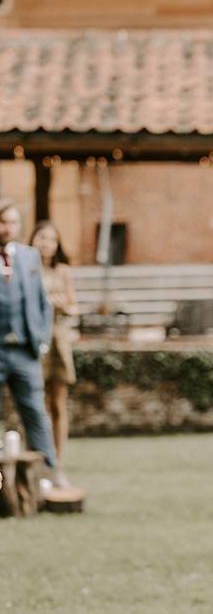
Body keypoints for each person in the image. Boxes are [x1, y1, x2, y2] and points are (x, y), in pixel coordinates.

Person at [0, 200, 57, 478]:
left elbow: (43, 303)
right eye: (2, 222)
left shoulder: (29, 256)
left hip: (25, 350)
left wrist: (42, 339)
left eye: (12, 222)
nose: (7, 228)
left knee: (36, 413)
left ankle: (48, 474)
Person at [30, 220, 78, 485]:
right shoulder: (28, 270)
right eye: (41, 238)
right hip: (35, 341)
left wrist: (61, 305)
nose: (46, 243)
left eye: (51, 239)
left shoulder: (63, 271)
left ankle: (58, 463)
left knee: (58, 403)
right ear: (33, 240)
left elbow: (74, 307)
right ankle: (38, 462)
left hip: (59, 341)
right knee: (36, 407)